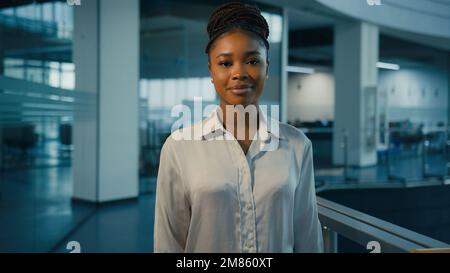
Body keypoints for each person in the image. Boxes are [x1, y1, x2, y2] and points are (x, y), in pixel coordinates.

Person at [154, 2, 323, 253]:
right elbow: (168, 245)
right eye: (225, 63)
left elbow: (307, 236)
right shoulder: (179, 148)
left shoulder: (297, 145)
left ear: (267, 67)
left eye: (252, 61)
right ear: (211, 70)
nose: (239, 73)